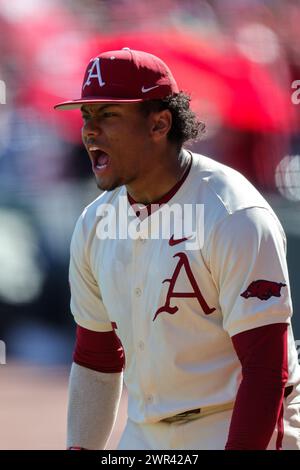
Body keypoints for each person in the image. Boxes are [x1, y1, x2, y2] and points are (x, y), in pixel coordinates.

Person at [54, 48, 300, 450]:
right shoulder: (95, 223)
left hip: (237, 421)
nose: (90, 132)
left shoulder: (233, 214)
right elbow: (97, 358)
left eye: (109, 115)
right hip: (145, 431)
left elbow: (265, 370)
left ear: (159, 124)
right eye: (86, 116)